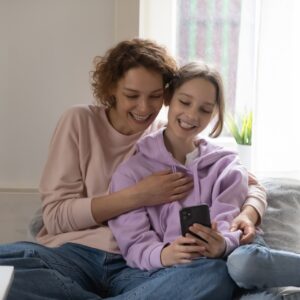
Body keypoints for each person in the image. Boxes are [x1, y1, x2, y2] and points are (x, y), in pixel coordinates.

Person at [0, 38, 265, 300]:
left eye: (155, 97)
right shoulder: (79, 122)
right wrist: (137, 195)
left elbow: (247, 181)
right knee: (9, 261)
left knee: (211, 276)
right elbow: (55, 217)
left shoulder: (169, 132)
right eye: (132, 95)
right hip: (72, 255)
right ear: (111, 89)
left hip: (135, 268)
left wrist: (250, 214)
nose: (144, 108)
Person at [108, 61, 256, 299]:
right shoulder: (131, 172)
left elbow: (229, 224)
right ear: (169, 98)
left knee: (223, 273)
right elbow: (134, 244)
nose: (192, 115)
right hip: (155, 274)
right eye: (184, 102)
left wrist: (222, 245)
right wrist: (165, 254)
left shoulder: (225, 167)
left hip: (210, 267)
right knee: (216, 276)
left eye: (205, 109)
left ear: (215, 113)